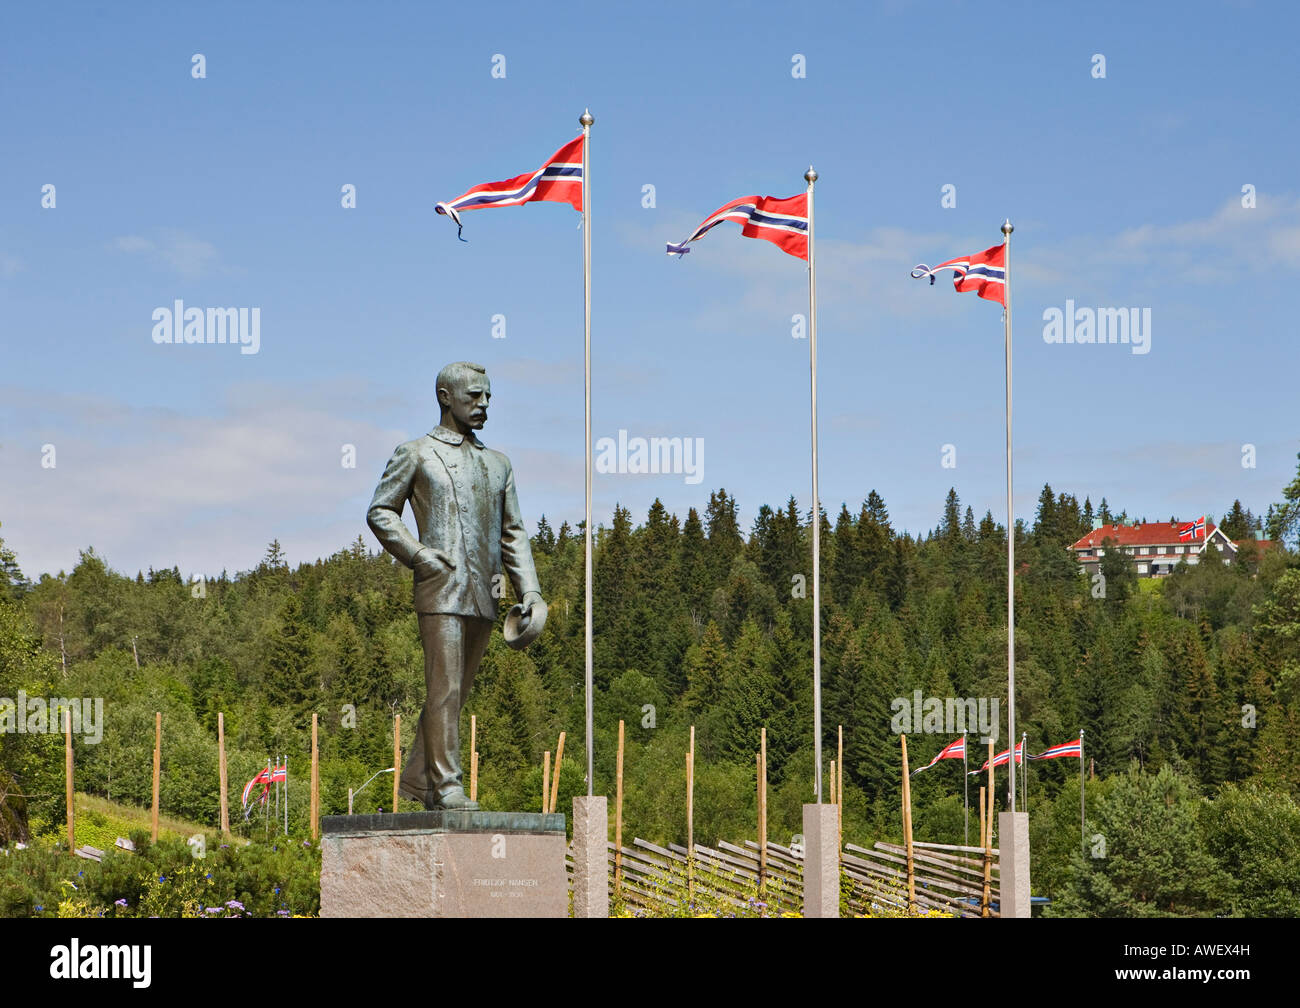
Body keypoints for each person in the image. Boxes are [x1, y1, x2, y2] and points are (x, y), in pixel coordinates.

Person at [367, 361, 546, 810]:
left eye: (487, 396)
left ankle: (419, 782)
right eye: (474, 396)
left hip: (485, 595)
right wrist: (419, 554)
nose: (483, 404)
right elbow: (381, 511)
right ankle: (447, 786)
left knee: (455, 694)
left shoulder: (498, 464)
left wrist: (531, 591)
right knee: (443, 690)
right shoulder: (416, 452)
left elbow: (513, 533)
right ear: (446, 397)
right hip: (440, 589)